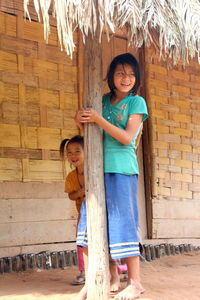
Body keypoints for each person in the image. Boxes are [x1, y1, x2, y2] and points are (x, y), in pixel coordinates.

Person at [75, 52, 148, 300]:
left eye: (130, 74)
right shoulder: (101, 100)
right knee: (89, 223)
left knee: (122, 223)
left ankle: (135, 282)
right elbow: (90, 130)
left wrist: (97, 119)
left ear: (136, 78)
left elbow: (127, 137)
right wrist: (81, 121)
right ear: (111, 76)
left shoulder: (137, 103)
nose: (125, 78)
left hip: (122, 169)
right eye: (120, 73)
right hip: (97, 170)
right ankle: (98, 277)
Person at [60, 135, 85, 285]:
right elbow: (71, 196)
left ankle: (120, 269)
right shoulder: (71, 177)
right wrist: (82, 192)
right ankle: (84, 272)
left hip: (101, 213)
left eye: (77, 151)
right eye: (69, 152)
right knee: (81, 242)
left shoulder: (95, 170)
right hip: (83, 214)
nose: (73, 155)